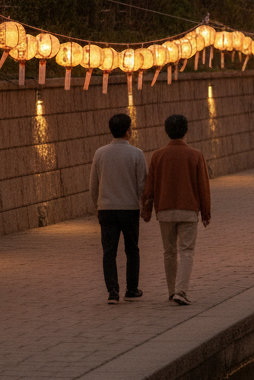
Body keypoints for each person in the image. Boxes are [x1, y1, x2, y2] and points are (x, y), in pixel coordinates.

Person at [140, 115, 212, 306]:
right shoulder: (195, 155)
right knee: (187, 251)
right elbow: (203, 186)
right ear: (185, 130)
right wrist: (205, 212)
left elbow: (150, 185)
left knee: (169, 251)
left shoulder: (158, 155)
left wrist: (146, 208)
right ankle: (181, 290)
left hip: (165, 210)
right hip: (188, 210)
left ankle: (172, 291)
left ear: (166, 131)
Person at [90, 113, 147, 305]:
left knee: (109, 251)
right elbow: (142, 184)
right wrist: (140, 202)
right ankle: (131, 289)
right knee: (132, 249)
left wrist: (98, 204)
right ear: (128, 131)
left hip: (106, 209)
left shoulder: (100, 153)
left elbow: (94, 185)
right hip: (129, 208)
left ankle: (112, 292)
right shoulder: (137, 154)